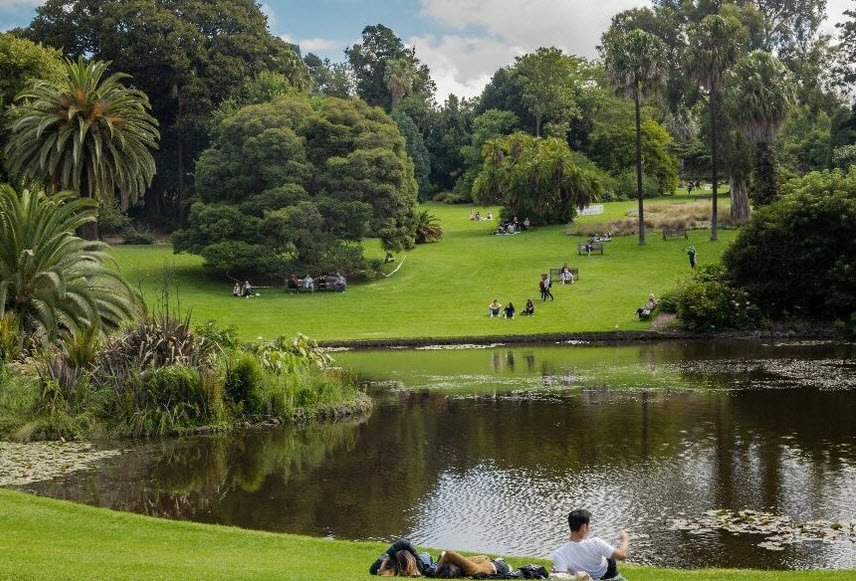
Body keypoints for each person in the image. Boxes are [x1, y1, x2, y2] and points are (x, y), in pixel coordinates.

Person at [551, 509, 629, 580]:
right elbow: (622, 555)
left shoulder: (560, 553)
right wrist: (625, 539)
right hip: (608, 574)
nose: (589, 529)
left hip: (585, 577)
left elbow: (560, 577)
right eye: (589, 525)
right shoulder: (596, 543)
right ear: (584, 527)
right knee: (609, 555)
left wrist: (556, 572)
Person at [370, 539, 436, 577]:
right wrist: (387, 557)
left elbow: (372, 570)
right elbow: (372, 570)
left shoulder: (423, 564)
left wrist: (383, 566)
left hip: (424, 557)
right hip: (421, 558)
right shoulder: (391, 563)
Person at [435, 550, 511, 578]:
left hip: (487, 561)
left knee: (444, 555)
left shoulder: (465, 567)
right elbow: (449, 553)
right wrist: (436, 569)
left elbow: (445, 554)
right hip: (501, 567)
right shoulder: (472, 570)